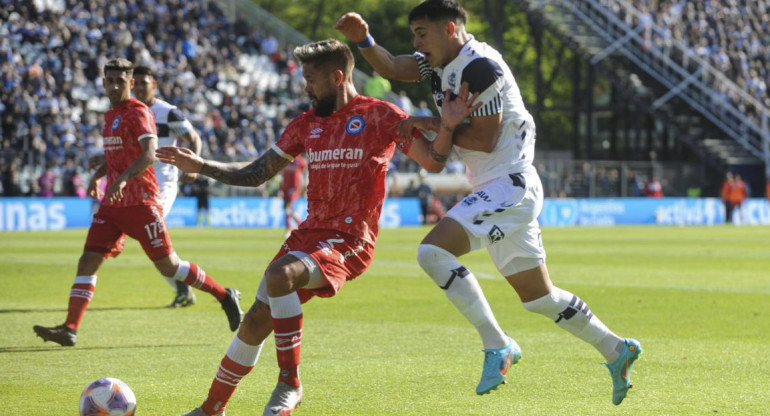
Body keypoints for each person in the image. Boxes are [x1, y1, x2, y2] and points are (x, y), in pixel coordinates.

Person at [336, 0, 641, 405]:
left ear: (449, 29)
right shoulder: (439, 63)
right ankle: (618, 350)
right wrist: (365, 40)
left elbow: (484, 140)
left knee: (431, 252)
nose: (416, 43)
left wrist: (436, 124)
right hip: (499, 187)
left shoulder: (480, 68)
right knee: (540, 299)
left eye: (421, 34)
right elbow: (392, 66)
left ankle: (498, 345)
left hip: (509, 185)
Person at [160, 39, 472, 416]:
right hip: (309, 235)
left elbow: (434, 162)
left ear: (337, 77)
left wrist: (440, 124)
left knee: (279, 276)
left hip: (350, 240)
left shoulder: (380, 115)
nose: (305, 87)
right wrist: (201, 165)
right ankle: (211, 408)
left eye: (311, 79)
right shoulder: (306, 124)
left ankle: (290, 383)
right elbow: (257, 173)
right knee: (257, 318)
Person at [32, 58, 243, 348]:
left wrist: (120, 180)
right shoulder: (110, 116)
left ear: (131, 83)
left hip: (142, 202)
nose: (116, 85)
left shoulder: (139, 112)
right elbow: (118, 156)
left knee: (168, 267)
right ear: (104, 82)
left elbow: (149, 153)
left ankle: (224, 294)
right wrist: (98, 175)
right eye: (111, 80)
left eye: (122, 80)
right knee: (88, 261)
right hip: (113, 205)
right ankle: (70, 328)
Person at [133, 64, 204, 307]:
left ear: (153, 85)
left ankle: (190, 286)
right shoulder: (130, 112)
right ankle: (183, 289)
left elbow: (194, 138)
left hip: (164, 183)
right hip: (139, 183)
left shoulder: (168, 112)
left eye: (145, 82)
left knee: (151, 231)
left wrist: (193, 167)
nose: (140, 87)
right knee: (150, 239)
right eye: (137, 83)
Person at [280, 154, 307, 237]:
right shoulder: (285, 160)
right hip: (285, 187)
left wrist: (305, 186)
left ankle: (293, 229)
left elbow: (305, 173)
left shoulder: (301, 161)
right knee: (288, 210)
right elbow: (282, 175)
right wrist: (280, 188)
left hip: (294, 188)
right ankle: (301, 227)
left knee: (289, 208)